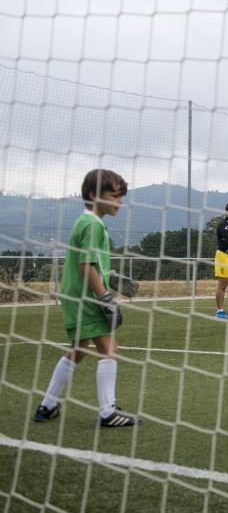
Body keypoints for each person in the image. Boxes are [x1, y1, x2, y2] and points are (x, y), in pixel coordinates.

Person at [33, 169, 138, 428]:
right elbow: (86, 266)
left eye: (121, 197)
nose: (119, 203)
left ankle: (47, 406)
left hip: (75, 296)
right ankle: (107, 413)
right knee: (110, 350)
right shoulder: (92, 224)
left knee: (78, 349)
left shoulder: (85, 222)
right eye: (114, 196)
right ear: (93, 194)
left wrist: (110, 276)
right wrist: (104, 296)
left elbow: (89, 262)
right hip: (87, 298)